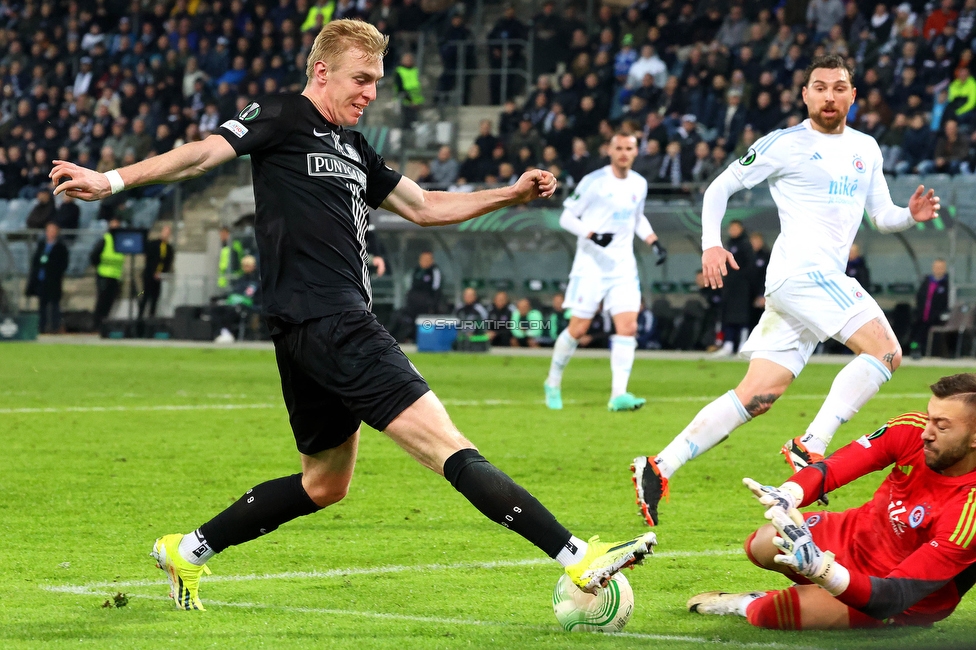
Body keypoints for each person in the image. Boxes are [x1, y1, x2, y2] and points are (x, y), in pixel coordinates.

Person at [50, 19, 655, 611]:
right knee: (446, 443)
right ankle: (576, 553)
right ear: (322, 71)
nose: (370, 92)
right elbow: (205, 153)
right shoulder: (284, 117)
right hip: (330, 322)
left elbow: (424, 205)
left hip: (312, 330)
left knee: (324, 484)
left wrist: (510, 194)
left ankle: (185, 550)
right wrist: (111, 179)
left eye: (377, 81)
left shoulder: (355, 146)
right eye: (361, 78)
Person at [631, 55, 941, 527]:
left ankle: (658, 467)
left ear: (853, 95)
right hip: (803, 274)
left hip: (804, 286)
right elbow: (718, 188)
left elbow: (882, 216)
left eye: (839, 87)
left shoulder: (867, 148)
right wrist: (711, 244)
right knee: (886, 353)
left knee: (758, 394)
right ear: (805, 95)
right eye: (820, 87)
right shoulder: (785, 144)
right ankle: (810, 445)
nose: (829, 96)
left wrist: (910, 216)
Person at [689, 373, 976, 630]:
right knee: (762, 543)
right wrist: (790, 493)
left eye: (942, 426)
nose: (926, 432)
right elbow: (839, 465)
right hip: (859, 534)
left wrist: (823, 571)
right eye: (929, 418)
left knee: (769, 613)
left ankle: (748, 602)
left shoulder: (970, 510)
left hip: (901, 595)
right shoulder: (911, 429)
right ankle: (828, 588)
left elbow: (893, 595)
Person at [544, 132, 667, 412]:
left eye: (629, 148)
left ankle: (618, 395)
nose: (624, 153)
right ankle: (552, 381)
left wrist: (654, 242)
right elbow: (566, 216)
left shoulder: (639, 183)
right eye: (619, 148)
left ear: (636, 152)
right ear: (610, 151)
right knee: (578, 329)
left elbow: (637, 217)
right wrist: (592, 234)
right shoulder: (594, 182)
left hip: (623, 266)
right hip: (591, 266)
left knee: (628, 327)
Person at [713, 219, 755, 356]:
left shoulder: (745, 245)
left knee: (742, 317)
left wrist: (741, 278)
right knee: (728, 316)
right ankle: (728, 344)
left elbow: (750, 266)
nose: (733, 231)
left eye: (736, 228)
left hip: (742, 287)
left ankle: (743, 344)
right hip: (729, 286)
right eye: (731, 228)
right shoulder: (728, 244)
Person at [25, 222, 69, 333]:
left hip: (53, 280)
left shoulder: (60, 247)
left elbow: (63, 264)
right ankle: (42, 327)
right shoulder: (42, 245)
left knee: (54, 305)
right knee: (42, 305)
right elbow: (36, 261)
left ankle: (55, 327)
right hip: (41, 280)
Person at [909, 258, 950, 359]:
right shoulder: (927, 281)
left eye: (940, 268)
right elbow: (920, 296)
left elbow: (944, 302)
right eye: (936, 267)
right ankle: (914, 348)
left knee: (926, 332)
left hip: (935, 317)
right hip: (922, 314)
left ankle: (924, 350)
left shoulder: (946, 285)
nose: (938, 270)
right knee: (916, 332)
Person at [89, 217, 124, 331]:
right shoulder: (106, 239)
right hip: (104, 275)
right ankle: (97, 325)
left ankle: (104, 325)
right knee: (102, 302)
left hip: (115, 276)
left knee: (109, 302)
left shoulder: (120, 241)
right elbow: (94, 255)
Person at [138, 224, 175, 320]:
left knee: (155, 298)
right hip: (148, 276)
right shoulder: (153, 244)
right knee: (144, 295)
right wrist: (153, 271)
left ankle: (151, 318)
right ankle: (140, 318)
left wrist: (161, 273)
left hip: (159, 277)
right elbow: (149, 259)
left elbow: (167, 262)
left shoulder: (169, 248)